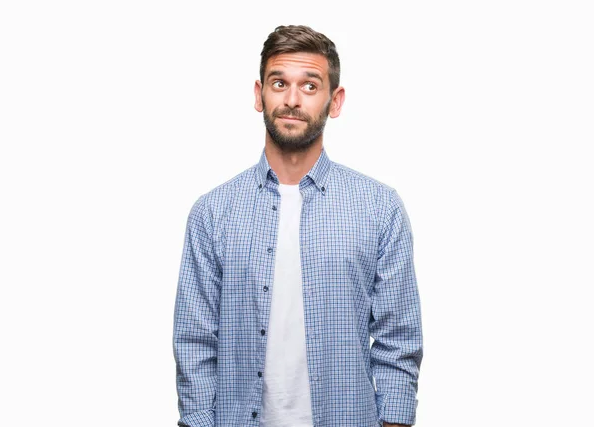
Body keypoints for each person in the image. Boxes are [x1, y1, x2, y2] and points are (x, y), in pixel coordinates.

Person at [173, 25, 423, 427]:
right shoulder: (213, 212)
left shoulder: (379, 208)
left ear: (334, 101)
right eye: (279, 83)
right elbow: (195, 343)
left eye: (310, 86)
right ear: (259, 94)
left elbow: (399, 341)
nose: (291, 99)